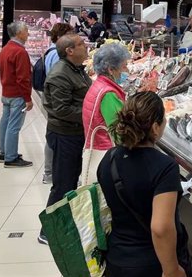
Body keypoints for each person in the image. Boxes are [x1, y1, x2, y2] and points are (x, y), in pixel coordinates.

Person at [97, 92, 192, 277]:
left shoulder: (109, 159)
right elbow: (160, 228)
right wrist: (171, 270)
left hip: (117, 260)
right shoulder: (165, 167)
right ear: (155, 127)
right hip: (152, 265)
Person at [39, 34, 92, 245]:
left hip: (74, 134)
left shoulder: (76, 69)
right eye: (81, 44)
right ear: (69, 51)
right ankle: (47, 231)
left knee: (70, 181)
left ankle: (65, 223)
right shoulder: (61, 74)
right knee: (62, 183)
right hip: (64, 136)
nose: (85, 46)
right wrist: (90, 113)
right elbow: (61, 109)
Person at [81, 42, 129, 185]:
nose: (127, 70)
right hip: (105, 155)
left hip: (95, 148)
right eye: (124, 66)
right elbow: (119, 132)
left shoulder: (98, 85)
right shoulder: (108, 94)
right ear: (111, 69)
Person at [0, 21, 33, 168]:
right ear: (19, 33)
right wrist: (28, 98)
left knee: (5, 123)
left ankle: (4, 152)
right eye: (26, 30)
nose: (28, 33)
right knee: (14, 126)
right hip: (17, 95)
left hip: (6, 92)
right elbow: (23, 78)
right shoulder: (20, 52)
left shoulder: (5, 49)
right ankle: (11, 158)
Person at [40, 23, 73, 185]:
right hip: (56, 101)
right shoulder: (56, 54)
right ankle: (49, 173)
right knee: (54, 137)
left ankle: (50, 172)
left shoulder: (52, 51)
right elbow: (59, 79)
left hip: (53, 100)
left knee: (52, 136)